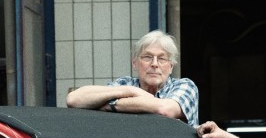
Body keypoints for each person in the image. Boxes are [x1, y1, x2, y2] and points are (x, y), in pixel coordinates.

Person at [66, 30, 199, 127]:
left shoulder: (185, 86)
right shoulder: (126, 84)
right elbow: (73, 99)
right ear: (134, 63)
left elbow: (165, 109)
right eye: (147, 57)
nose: (154, 64)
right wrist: (130, 91)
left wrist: (110, 105)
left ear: (171, 67)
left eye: (162, 58)